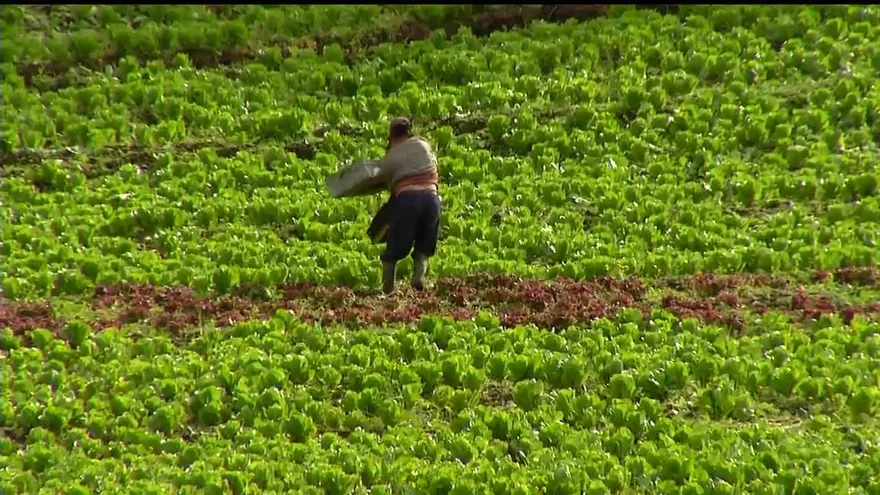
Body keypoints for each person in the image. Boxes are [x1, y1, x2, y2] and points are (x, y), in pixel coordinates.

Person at [373, 117, 442, 294]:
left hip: (408, 200)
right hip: (431, 199)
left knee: (394, 249)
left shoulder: (392, 154)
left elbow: (384, 180)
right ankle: (418, 278)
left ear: (392, 135)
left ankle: (388, 289)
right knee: (424, 247)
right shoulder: (423, 145)